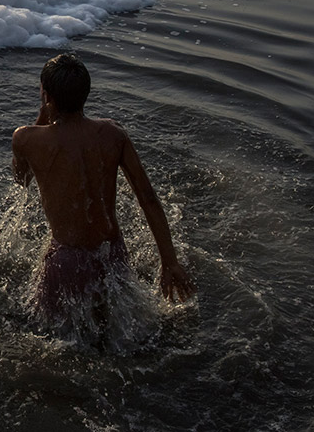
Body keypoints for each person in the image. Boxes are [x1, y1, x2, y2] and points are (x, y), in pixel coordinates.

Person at [12, 53, 194, 324]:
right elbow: (148, 199)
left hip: (66, 259)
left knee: (56, 335)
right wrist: (170, 262)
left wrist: (42, 115)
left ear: (46, 96)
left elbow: (21, 179)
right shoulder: (113, 134)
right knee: (113, 328)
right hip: (111, 253)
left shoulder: (26, 138)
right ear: (86, 93)